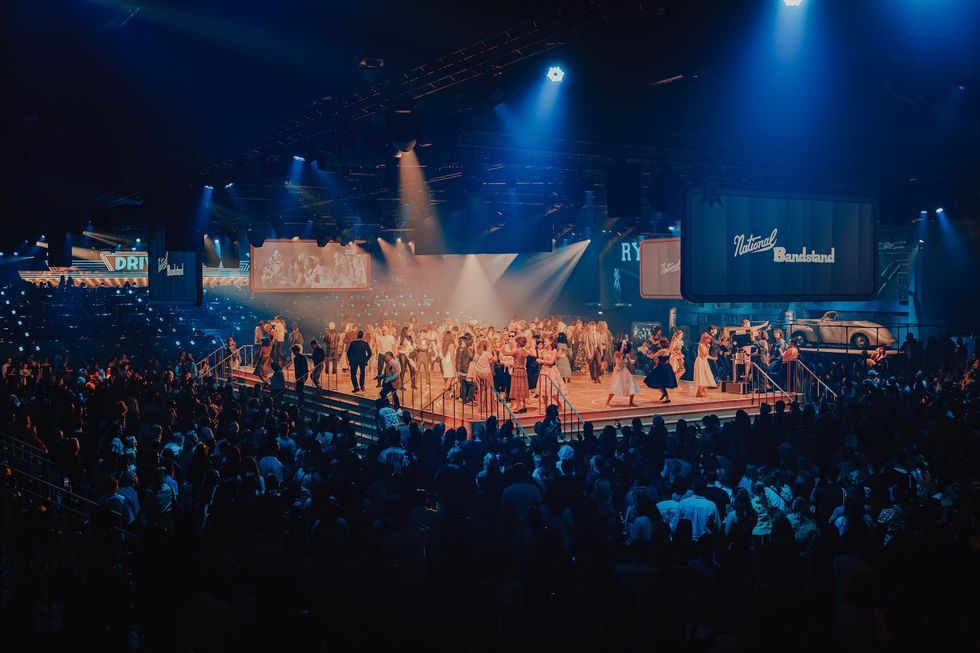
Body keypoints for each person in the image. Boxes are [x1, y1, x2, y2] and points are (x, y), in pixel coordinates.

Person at [643, 336, 677, 402]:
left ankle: (667, 397)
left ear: (661, 343)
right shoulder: (667, 350)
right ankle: (664, 394)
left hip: (662, 368)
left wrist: (647, 354)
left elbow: (653, 356)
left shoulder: (662, 350)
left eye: (659, 343)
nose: (658, 344)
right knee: (660, 382)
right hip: (666, 367)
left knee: (659, 382)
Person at [508, 336, 532, 414]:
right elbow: (533, 354)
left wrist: (501, 348)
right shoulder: (525, 351)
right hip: (523, 371)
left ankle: (520, 406)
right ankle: (524, 406)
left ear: (518, 343)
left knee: (518, 389)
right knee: (523, 388)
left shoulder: (517, 351)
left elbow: (505, 353)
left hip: (517, 371)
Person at [693, 332, 717, 398]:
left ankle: (701, 392)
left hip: (704, 361)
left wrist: (713, 358)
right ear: (704, 339)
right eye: (708, 339)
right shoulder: (701, 345)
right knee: (701, 376)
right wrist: (708, 348)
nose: (709, 341)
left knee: (705, 376)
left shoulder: (706, 345)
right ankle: (698, 392)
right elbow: (704, 354)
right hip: (700, 362)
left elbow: (707, 356)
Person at [291, 344, 309, 411]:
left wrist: (301, 377)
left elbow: (302, 368)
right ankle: (301, 403)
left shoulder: (299, 358)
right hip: (300, 376)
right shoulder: (299, 358)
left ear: (296, 351)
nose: (293, 353)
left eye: (294, 352)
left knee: (300, 390)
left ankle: (301, 403)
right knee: (299, 390)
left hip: (301, 376)